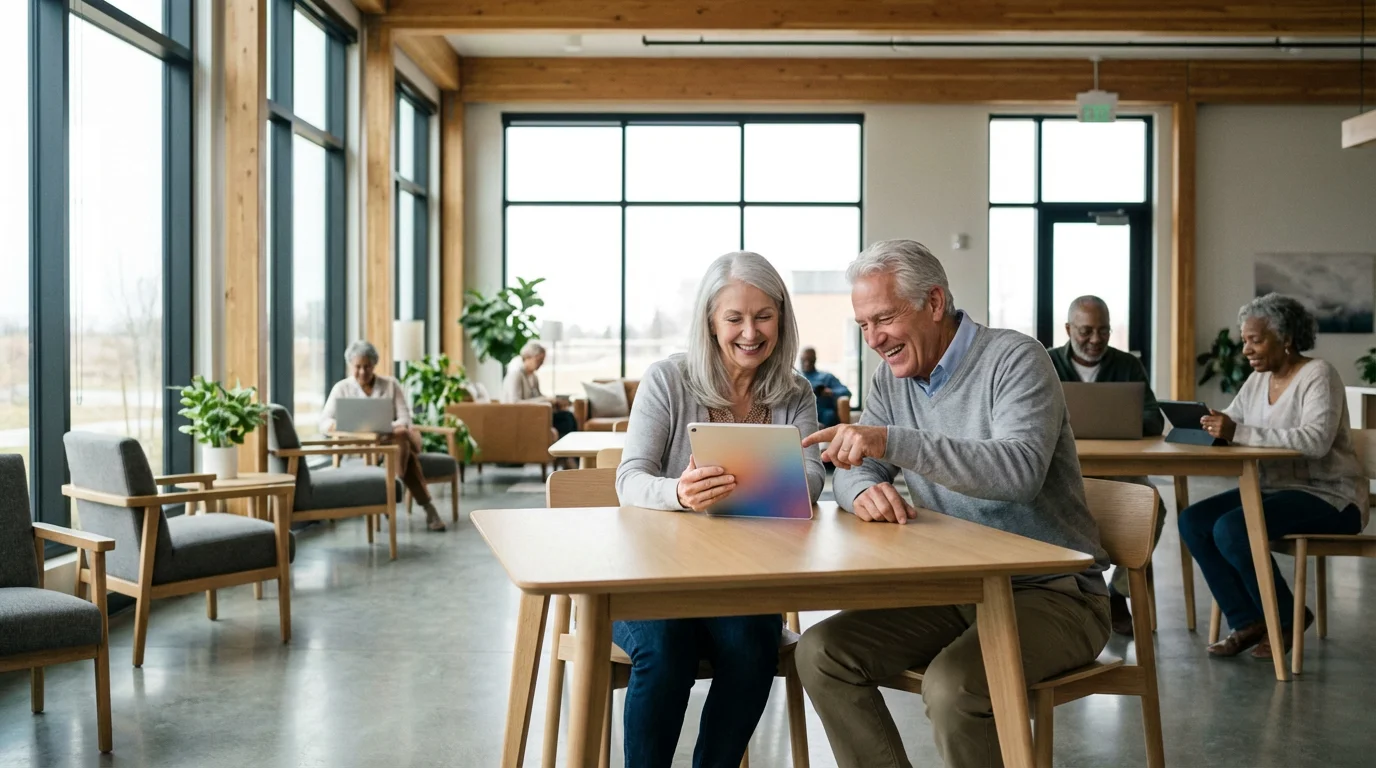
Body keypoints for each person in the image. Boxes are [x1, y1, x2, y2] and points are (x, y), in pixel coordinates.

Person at [793, 240, 1111, 768]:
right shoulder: (891, 380)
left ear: (934, 303)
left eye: (885, 319)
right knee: (821, 653)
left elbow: (1018, 472)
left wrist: (890, 441)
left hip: (1055, 595)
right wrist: (862, 491)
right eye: (863, 326)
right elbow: (857, 467)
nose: (874, 339)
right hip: (956, 587)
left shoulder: (1015, 359)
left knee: (952, 687)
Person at [616, 251, 825, 767]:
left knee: (754, 647)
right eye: (734, 318)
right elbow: (629, 479)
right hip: (650, 575)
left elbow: (815, 475)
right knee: (666, 653)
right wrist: (679, 495)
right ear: (710, 321)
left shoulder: (794, 391)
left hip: (739, 576)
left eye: (763, 316)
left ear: (782, 316)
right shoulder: (668, 379)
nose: (750, 332)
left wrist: (786, 481)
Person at [1182, 293, 1367, 660]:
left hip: (1331, 496)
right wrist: (1209, 427)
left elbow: (1315, 441)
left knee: (1233, 528)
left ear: (1286, 339)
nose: (1246, 349)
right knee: (1194, 521)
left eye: (1256, 339)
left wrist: (1236, 432)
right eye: (1245, 340)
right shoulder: (1256, 381)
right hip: (1271, 490)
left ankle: (1287, 618)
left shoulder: (1318, 374)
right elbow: (1232, 424)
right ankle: (1248, 620)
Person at [1048, 294, 1166, 636]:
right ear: (1069, 329)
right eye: (1086, 331)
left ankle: (1119, 593)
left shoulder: (1128, 365)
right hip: (1064, 471)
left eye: (1104, 331)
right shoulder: (1047, 362)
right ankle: (1066, 595)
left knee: (1151, 506)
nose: (1096, 340)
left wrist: (1120, 421)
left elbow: (1153, 419)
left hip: (1119, 471)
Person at [319, 340, 446, 532]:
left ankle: (392, 489)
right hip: (362, 448)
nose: (363, 372)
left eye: (367, 366)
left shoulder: (390, 385)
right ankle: (426, 507)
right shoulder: (341, 388)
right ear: (350, 366)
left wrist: (385, 428)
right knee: (409, 457)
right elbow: (324, 423)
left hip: (390, 443)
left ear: (374, 365)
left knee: (402, 436)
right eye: (358, 367)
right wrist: (345, 427)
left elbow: (405, 419)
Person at [503, 341, 578, 441]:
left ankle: (571, 454)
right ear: (528, 357)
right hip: (520, 417)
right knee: (566, 419)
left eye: (542, 361)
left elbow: (538, 397)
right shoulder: (516, 375)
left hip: (535, 414)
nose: (541, 364)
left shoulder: (533, 377)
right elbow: (515, 403)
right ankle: (567, 453)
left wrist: (552, 402)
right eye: (539, 360)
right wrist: (545, 399)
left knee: (568, 416)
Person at [798, 346, 852, 427]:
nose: (807, 363)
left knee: (829, 415)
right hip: (801, 411)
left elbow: (846, 392)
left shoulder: (826, 377)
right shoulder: (795, 377)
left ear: (815, 360)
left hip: (822, 412)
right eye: (804, 360)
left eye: (810, 360)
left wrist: (830, 392)